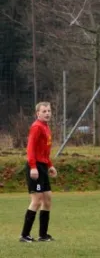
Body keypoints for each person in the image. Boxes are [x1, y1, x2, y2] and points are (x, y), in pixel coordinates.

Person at [20, 102, 57, 243]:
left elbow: (44, 152)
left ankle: (43, 235)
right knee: (37, 200)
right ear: (38, 113)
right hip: (35, 167)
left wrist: (50, 165)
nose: (47, 113)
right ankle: (24, 235)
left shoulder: (46, 127)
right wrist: (33, 167)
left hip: (42, 166)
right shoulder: (36, 127)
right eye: (44, 111)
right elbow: (30, 149)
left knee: (47, 199)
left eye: (49, 110)